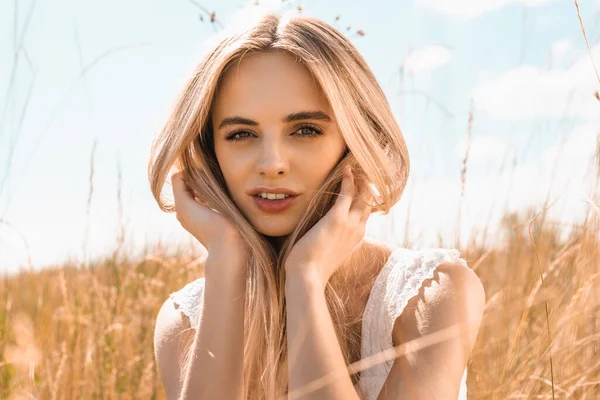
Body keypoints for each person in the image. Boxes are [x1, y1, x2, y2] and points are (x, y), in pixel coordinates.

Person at [150, 11, 485, 400]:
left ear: (354, 139)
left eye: (305, 129)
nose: (272, 163)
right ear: (211, 152)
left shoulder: (431, 296)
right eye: (241, 134)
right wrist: (225, 260)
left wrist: (305, 277)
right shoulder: (184, 323)